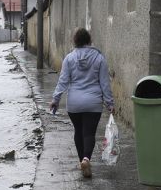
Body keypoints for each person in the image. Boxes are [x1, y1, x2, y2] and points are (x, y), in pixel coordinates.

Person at [49, 28, 114, 178]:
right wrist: (110, 103)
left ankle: (82, 162)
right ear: (89, 40)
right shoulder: (99, 58)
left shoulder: (69, 58)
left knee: (78, 132)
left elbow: (63, 81)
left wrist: (55, 99)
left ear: (75, 41)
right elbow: (105, 84)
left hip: (74, 103)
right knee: (89, 133)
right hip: (93, 102)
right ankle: (86, 159)